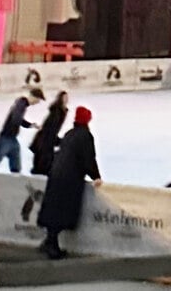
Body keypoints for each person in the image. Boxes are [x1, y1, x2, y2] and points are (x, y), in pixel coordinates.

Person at [36, 106, 102, 260]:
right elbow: (88, 159)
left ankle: (50, 242)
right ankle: (52, 246)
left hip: (57, 174)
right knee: (61, 212)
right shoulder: (86, 136)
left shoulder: (69, 133)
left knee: (54, 210)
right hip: (69, 178)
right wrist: (96, 176)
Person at [0, 88, 45, 173]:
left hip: (12, 138)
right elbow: (16, 118)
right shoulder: (21, 103)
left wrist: (31, 125)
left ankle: (16, 176)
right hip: (6, 138)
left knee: (15, 161)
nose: (38, 102)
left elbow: (19, 119)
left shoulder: (22, 104)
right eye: (38, 100)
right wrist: (21, 123)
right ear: (34, 97)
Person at [30, 91, 69, 175]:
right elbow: (50, 129)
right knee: (44, 163)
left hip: (47, 139)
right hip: (45, 140)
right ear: (60, 99)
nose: (66, 100)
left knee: (45, 162)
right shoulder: (57, 111)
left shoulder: (60, 111)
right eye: (64, 98)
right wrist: (57, 140)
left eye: (67, 98)